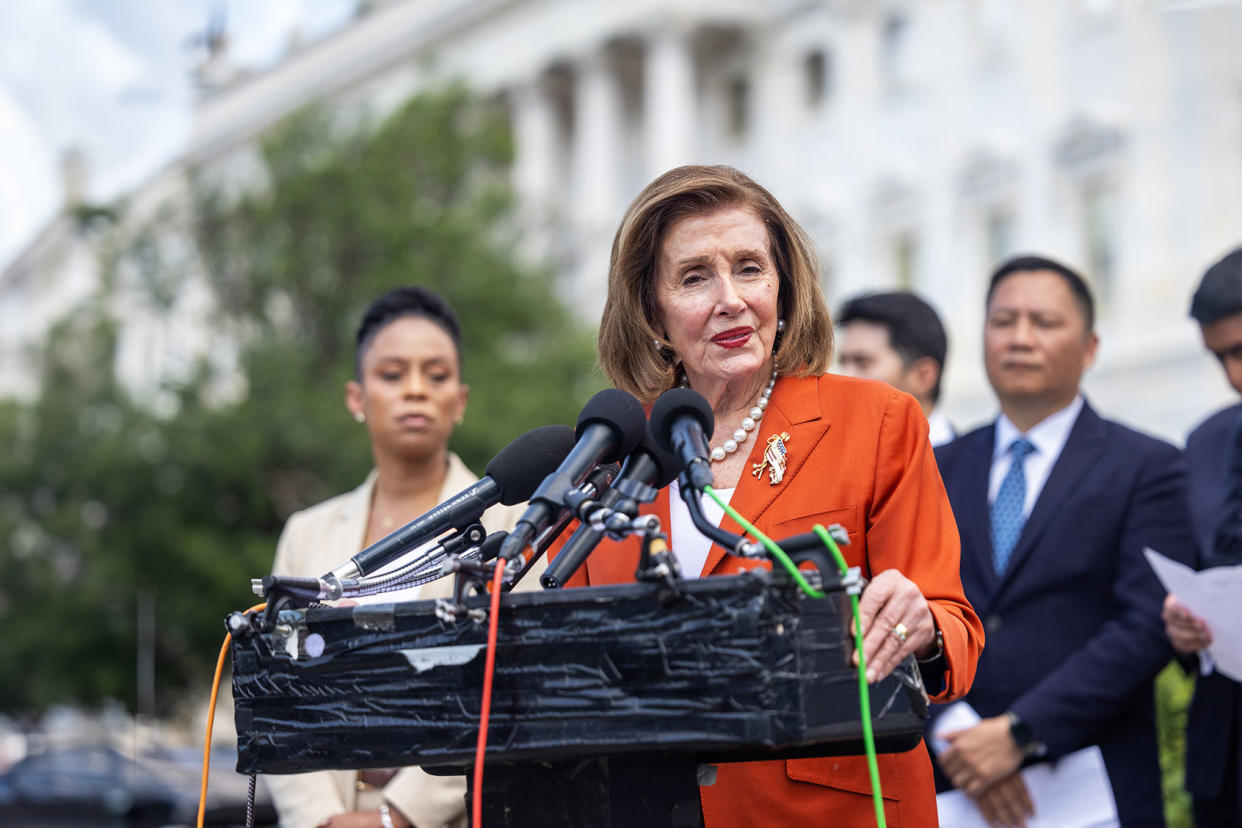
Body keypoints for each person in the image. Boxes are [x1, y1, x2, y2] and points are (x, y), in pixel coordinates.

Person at [576, 164, 984, 825]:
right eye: (694, 277)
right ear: (653, 315)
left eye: (749, 269)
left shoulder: (877, 422)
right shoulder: (609, 455)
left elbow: (954, 632)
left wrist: (918, 626)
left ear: (783, 291)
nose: (730, 298)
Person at [931, 255, 1194, 827]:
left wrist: (1021, 733)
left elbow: (1146, 623)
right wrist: (954, 733)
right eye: (1003, 321)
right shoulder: (934, 467)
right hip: (950, 785)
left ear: (1091, 347)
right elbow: (896, 604)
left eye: (1044, 322)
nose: (1020, 338)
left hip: (1094, 783)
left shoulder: (1148, 466)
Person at [266, 286, 525, 828]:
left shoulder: (513, 522)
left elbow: (510, 688)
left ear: (460, 400)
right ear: (356, 398)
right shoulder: (306, 534)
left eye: (436, 376)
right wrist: (321, 818)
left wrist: (399, 817)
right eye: (392, 374)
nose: (415, 390)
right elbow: (279, 691)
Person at [1161, 246, 1242, 826]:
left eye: (1241, 351)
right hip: (1227, 761)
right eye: (1221, 358)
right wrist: (1181, 629)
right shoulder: (1206, 443)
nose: (1235, 377)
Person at [836, 290, 955, 446]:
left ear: (923, 377)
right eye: (843, 363)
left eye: (863, 363)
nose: (844, 377)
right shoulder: (841, 459)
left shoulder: (972, 468)